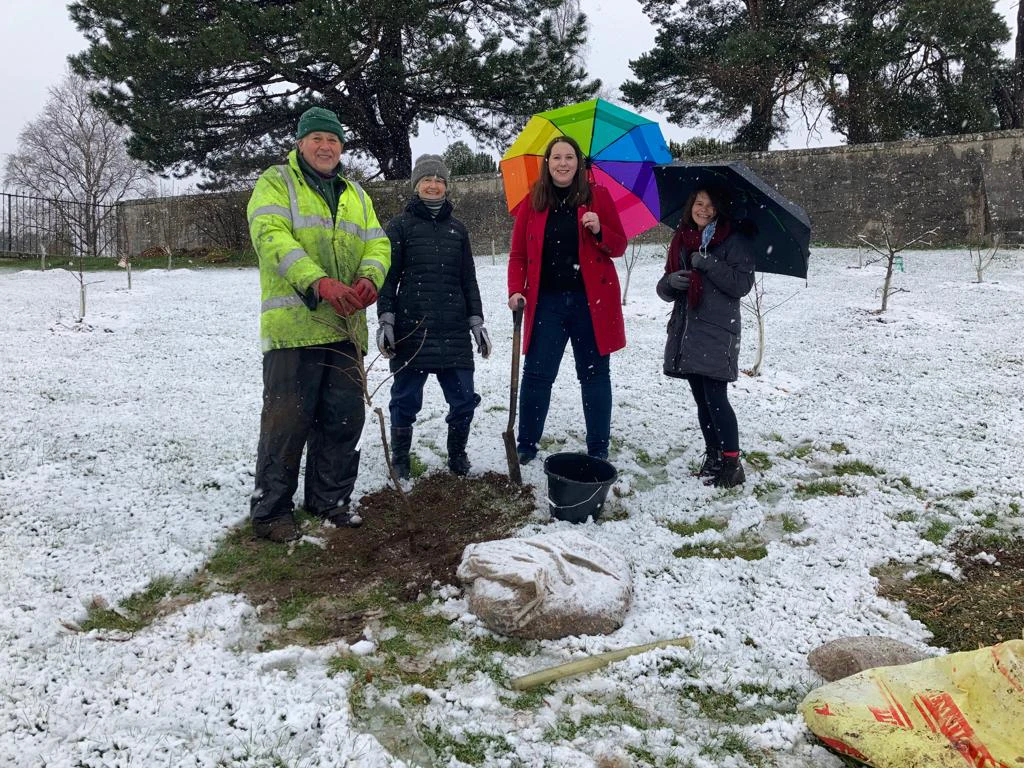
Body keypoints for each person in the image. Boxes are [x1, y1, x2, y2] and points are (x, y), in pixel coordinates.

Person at [246, 106, 391, 542]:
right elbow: (271, 236)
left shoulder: (356, 194)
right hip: (295, 328)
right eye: (317, 139)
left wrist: (370, 278)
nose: (326, 147)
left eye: (334, 140)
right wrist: (319, 281)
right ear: (300, 143)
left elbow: (377, 242)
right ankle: (271, 511)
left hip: (346, 329)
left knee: (343, 420)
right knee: (287, 421)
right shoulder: (277, 182)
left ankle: (329, 500)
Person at [507, 135, 627, 464]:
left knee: (594, 375)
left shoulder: (598, 196)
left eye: (569, 157)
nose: (563, 163)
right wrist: (516, 289)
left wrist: (600, 229)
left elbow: (618, 246)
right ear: (547, 163)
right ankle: (527, 444)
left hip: (592, 303)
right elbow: (517, 255)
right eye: (557, 157)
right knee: (537, 374)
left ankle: (598, 448)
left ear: (579, 163)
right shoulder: (533, 201)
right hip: (547, 303)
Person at [376, 154, 491, 479]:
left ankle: (457, 456)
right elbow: (388, 277)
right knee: (405, 400)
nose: (434, 185)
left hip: (453, 331)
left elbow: (468, 278)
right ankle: (400, 460)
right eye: (427, 179)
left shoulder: (458, 229)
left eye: (439, 180)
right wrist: (386, 319)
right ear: (416, 185)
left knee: (464, 400)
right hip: (413, 330)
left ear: (446, 186)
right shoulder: (399, 226)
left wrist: (476, 322)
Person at [656, 187, 755, 488]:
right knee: (702, 400)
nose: (704, 209)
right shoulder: (681, 239)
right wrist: (671, 283)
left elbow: (741, 284)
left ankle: (731, 463)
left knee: (716, 399)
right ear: (690, 206)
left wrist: (708, 263)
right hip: (687, 331)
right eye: (699, 203)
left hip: (716, 332)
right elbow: (663, 289)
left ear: (718, 210)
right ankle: (713, 457)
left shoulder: (732, 239)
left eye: (710, 205)